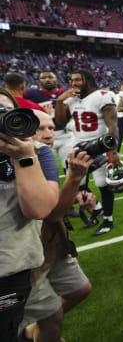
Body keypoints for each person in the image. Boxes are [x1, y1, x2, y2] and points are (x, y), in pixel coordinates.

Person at [20, 110, 94, 342]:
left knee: (79, 290)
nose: (49, 134)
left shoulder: (44, 155)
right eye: (40, 128)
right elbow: (48, 213)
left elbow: (50, 205)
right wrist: (73, 180)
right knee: (51, 316)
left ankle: (31, 330)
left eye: (51, 128)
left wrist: (74, 192)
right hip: (24, 248)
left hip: (50, 239)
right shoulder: (14, 160)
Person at [0, 88, 59, 342]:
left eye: (6, 111)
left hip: (9, 271)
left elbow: (40, 209)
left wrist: (23, 156)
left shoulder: (34, 151)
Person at [54, 69, 122, 236]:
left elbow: (112, 125)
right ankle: (96, 210)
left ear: (89, 80)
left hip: (100, 145)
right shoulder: (71, 98)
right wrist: (60, 100)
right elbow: (61, 121)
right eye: (72, 80)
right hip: (79, 145)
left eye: (78, 80)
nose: (74, 83)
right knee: (77, 182)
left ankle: (108, 219)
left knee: (102, 184)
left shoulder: (103, 95)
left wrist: (113, 152)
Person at [23, 71, 75, 169]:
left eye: (50, 77)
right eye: (43, 78)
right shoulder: (30, 94)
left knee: (71, 165)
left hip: (65, 135)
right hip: (42, 135)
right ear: (39, 81)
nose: (47, 80)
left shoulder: (66, 93)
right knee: (44, 167)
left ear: (57, 79)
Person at [115, 84, 123, 153]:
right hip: (122, 117)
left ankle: (117, 151)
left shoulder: (117, 96)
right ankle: (117, 151)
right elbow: (119, 107)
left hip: (119, 117)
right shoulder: (122, 96)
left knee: (122, 135)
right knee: (121, 136)